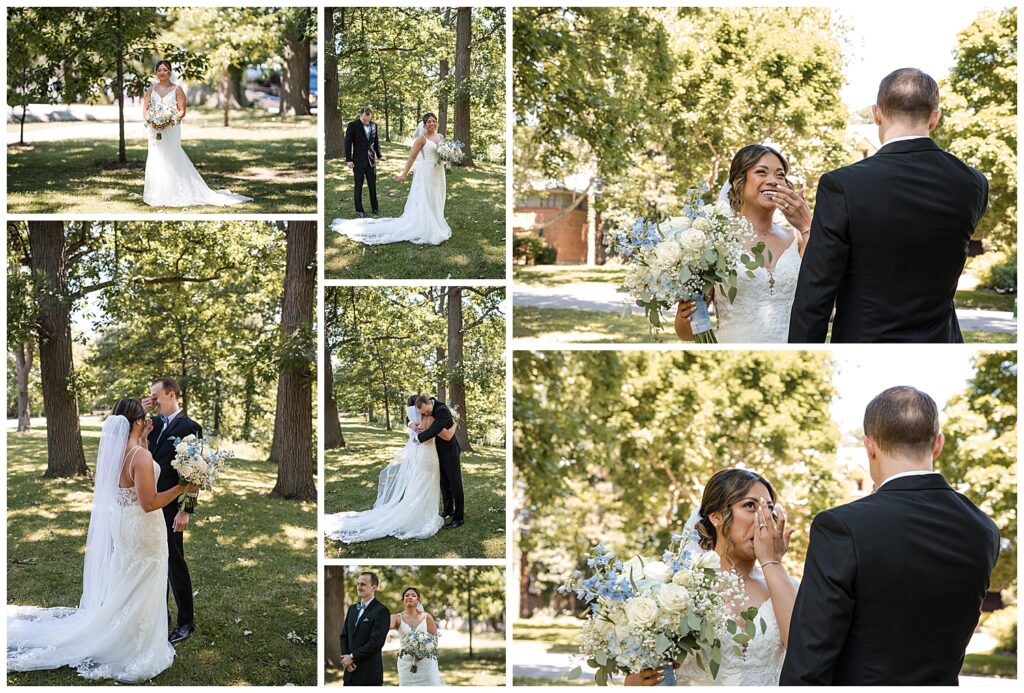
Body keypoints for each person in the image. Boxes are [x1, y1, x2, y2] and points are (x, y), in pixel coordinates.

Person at [780, 387, 1000, 684]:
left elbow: (809, 662)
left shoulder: (841, 526)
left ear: (870, 447)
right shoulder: (984, 529)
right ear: (938, 445)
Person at [789, 68, 989, 342]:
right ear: (934, 119)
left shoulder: (842, 185)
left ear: (876, 114)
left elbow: (816, 292)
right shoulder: (974, 184)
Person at [8, 399, 197, 682]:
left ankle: (120, 628)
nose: (149, 422)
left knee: (128, 575)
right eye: (144, 419)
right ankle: (134, 642)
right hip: (143, 525)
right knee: (145, 576)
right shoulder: (140, 457)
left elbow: (132, 480)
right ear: (135, 422)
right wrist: (182, 487)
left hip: (123, 523)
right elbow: (149, 502)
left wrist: (144, 439)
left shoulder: (119, 451)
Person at [676, 144, 811, 343]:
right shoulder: (714, 240)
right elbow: (686, 332)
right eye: (761, 172)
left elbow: (824, 298)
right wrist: (685, 315)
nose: (773, 181)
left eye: (780, 175)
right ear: (739, 181)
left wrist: (807, 227)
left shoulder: (798, 238)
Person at [324, 396, 455, 543]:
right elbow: (447, 435)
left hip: (420, 457)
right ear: (419, 410)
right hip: (429, 457)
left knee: (418, 483)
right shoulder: (430, 420)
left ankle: (417, 511)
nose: (428, 412)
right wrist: (455, 423)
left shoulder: (415, 422)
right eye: (425, 410)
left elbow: (412, 424)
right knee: (427, 484)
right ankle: (423, 515)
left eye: (427, 410)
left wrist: (412, 424)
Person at [331, 113, 453, 245]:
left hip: (438, 172)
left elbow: (442, 154)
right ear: (424, 124)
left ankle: (436, 221)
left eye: (434, 121)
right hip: (426, 172)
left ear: (437, 123)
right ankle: (425, 224)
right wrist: (404, 174)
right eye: (429, 122)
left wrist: (450, 156)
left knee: (436, 196)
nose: (432, 124)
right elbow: (412, 157)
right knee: (426, 197)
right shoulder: (421, 139)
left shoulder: (440, 137)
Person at [142, 59, 251, 207]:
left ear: (169, 72)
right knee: (156, 156)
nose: (162, 72)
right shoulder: (151, 89)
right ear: (155, 72)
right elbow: (145, 109)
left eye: (165, 70)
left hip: (171, 128)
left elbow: (182, 111)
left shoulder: (177, 89)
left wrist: (168, 120)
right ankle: (157, 193)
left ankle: (177, 192)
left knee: (173, 156)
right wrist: (152, 121)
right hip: (154, 130)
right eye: (159, 70)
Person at [340, 572, 391, 686]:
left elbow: (376, 643)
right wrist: (346, 659)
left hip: (369, 674)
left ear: (374, 587)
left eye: (363, 584)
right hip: (350, 673)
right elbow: (344, 635)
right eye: (357, 584)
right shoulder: (352, 609)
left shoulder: (381, 611)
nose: (359, 587)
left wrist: (352, 657)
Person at [392, 587, 443, 685]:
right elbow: (381, 623)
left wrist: (423, 652)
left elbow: (435, 641)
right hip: (406, 665)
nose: (410, 597)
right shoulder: (397, 618)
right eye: (407, 595)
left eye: (413, 595)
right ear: (403, 600)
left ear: (418, 600)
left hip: (426, 665)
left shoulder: (426, 617)